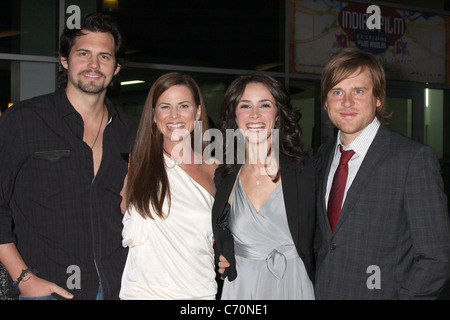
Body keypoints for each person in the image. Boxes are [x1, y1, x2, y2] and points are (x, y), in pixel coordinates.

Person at [0, 13, 136, 300]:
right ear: (64, 60)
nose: (93, 65)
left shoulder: (130, 131)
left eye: (104, 56)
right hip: (46, 288)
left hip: (118, 287)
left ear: (117, 67)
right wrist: (24, 278)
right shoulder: (24, 120)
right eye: (83, 53)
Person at [315, 48, 450, 299]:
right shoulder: (321, 158)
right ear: (325, 102)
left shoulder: (412, 160)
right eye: (337, 92)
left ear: (378, 98)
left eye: (359, 91)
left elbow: (436, 258)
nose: (347, 102)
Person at [212, 73, 317, 299]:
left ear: (278, 114)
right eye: (245, 105)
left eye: (265, 105)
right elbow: (220, 234)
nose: (255, 114)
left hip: (294, 285)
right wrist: (223, 254)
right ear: (234, 115)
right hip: (242, 288)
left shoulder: (306, 170)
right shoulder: (224, 176)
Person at [119, 72, 218, 300]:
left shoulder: (215, 170)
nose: (174, 115)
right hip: (142, 294)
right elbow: (125, 209)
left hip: (199, 294)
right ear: (154, 115)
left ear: (198, 111)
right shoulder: (139, 163)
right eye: (165, 106)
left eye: (184, 105)